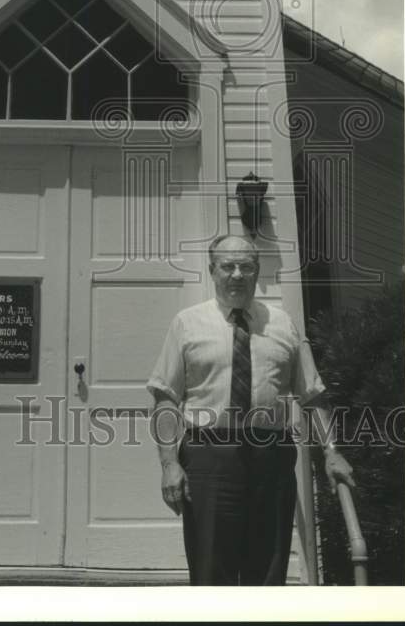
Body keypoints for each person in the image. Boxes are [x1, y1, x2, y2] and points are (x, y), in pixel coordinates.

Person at [147, 234, 355, 586]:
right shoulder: (188, 323)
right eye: (228, 266)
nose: (237, 275)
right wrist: (169, 464)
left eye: (246, 266)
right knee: (211, 568)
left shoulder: (282, 324)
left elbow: (313, 395)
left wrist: (332, 452)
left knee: (268, 567)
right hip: (209, 456)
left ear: (257, 272)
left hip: (271, 458)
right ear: (213, 271)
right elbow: (166, 396)